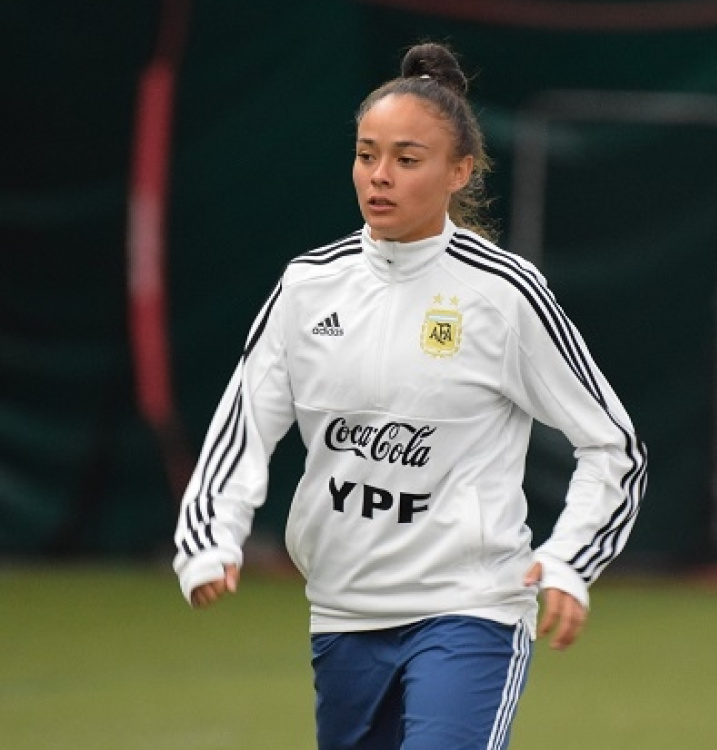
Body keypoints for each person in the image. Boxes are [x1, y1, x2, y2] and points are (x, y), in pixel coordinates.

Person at [173, 41, 647, 750]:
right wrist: (211, 535)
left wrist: (572, 560)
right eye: (366, 155)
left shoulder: (503, 294)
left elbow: (613, 445)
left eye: (406, 158)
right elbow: (243, 427)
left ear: (460, 171)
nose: (380, 176)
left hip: (472, 608)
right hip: (343, 612)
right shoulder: (308, 286)